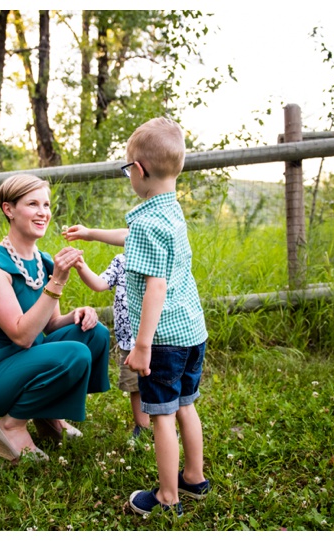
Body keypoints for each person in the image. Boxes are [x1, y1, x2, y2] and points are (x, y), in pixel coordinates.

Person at [0, 174, 111, 464]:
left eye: (46, 204)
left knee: (94, 334)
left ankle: (47, 413)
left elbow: (50, 325)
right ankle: (11, 425)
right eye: (32, 204)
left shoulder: (42, 260)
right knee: (74, 352)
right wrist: (57, 282)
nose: (43, 212)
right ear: (9, 209)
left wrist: (76, 315)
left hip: (27, 359)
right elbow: (22, 335)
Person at [120, 117, 211, 516]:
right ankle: (194, 477)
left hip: (163, 341)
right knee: (186, 406)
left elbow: (155, 285)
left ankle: (167, 496)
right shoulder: (170, 212)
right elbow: (135, 241)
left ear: (138, 170)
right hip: (192, 331)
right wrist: (91, 233)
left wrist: (142, 346)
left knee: (161, 417)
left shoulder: (145, 222)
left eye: (127, 169)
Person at [63, 225, 151, 441]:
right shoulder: (121, 262)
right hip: (128, 340)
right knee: (135, 385)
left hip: (157, 338)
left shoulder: (156, 261)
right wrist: (82, 267)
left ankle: (165, 425)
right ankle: (143, 428)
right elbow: (100, 284)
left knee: (160, 383)